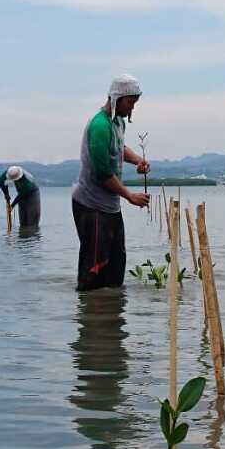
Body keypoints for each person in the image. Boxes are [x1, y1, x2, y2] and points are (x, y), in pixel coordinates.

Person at [72, 75, 151, 292]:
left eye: (135, 104)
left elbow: (120, 147)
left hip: (110, 206)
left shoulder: (118, 123)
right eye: (129, 103)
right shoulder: (99, 126)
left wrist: (138, 160)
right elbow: (103, 173)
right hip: (91, 206)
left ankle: (111, 316)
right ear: (116, 98)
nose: (132, 109)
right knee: (95, 267)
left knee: (116, 264)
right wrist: (130, 196)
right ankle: (90, 316)